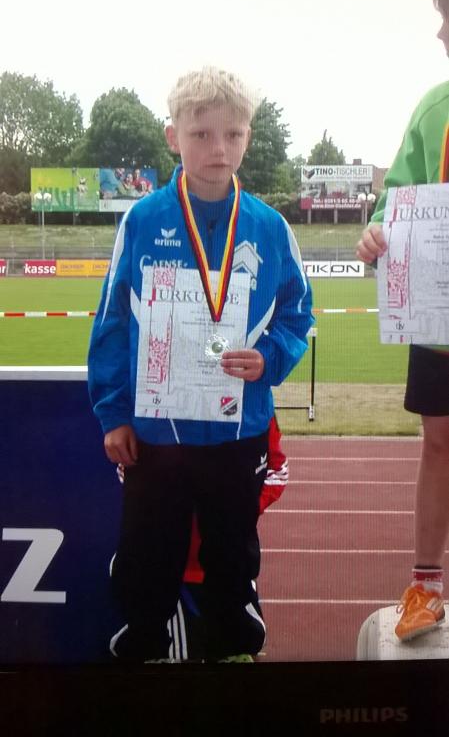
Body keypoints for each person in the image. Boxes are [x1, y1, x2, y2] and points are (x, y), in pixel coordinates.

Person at [88, 66, 313, 662]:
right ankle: (144, 638)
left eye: (233, 134)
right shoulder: (142, 221)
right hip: (157, 431)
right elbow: (111, 322)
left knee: (232, 548)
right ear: (173, 137)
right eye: (202, 134)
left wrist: (269, 357)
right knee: (147, 547)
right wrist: (114, 414)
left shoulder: (269, 227)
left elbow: (299, 313)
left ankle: (233, 641)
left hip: (238, 429)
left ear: (248, 137)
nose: (219, 149)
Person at [356, 0, 449, 642]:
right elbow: (398, 200)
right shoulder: (433, 107)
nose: (441, 32)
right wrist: (376, 234)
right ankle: (426, 587)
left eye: (448, 17)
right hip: (437, 317)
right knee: (438, 444)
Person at [114, 414, 289, 660]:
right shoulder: (153, 410)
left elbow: (276, 469)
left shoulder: (252, 411)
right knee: (168, 646)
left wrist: (237, 508)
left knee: (243, 640)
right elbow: (129, 473)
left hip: (227, 560)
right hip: (170, 566)